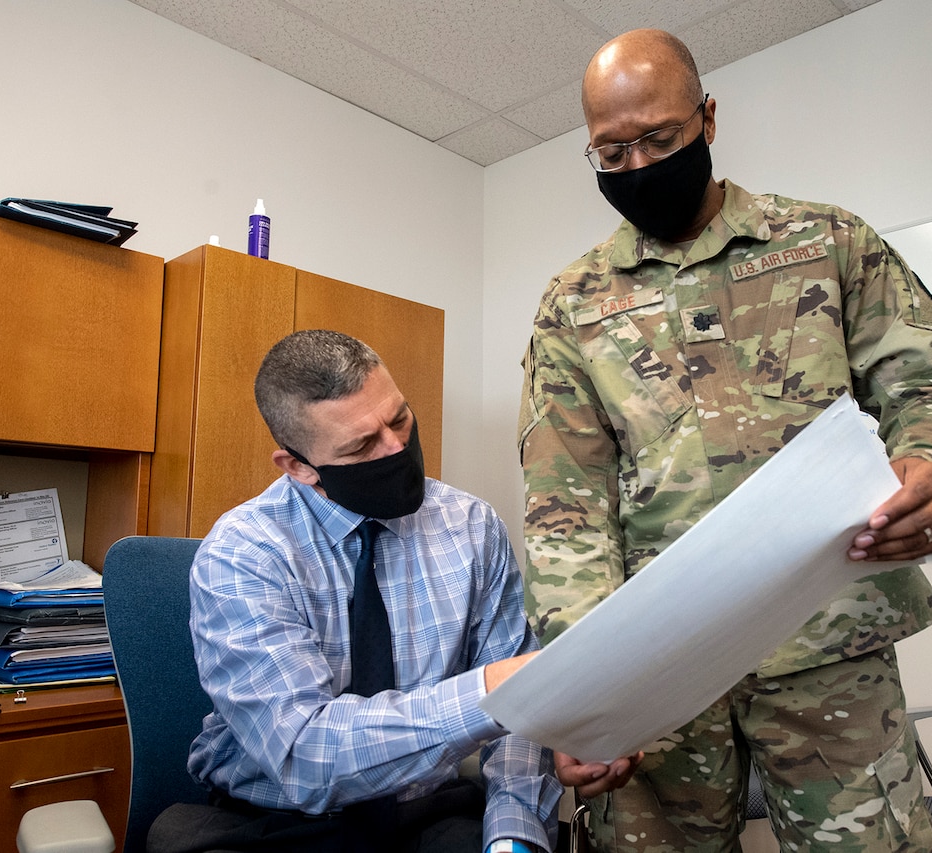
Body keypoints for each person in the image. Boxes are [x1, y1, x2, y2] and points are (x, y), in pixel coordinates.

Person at [518, 29, 932, 853]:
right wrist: (586, 693)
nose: (636, 167)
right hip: (658, 671)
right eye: (610, 152)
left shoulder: (826, 243)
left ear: (708, 118)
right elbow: (566, 512)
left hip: (828, 644)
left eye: (659, 139)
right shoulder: (573, 304)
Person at [152, 330, 634, 853]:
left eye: (399, 418)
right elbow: (304, 755)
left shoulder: (472, 526)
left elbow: (518, 726)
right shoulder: (243, 553)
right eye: (362, 445)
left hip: (427, 813)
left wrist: (513, 836)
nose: (397, 448)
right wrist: (491, 692)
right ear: (299, 466)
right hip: (277, 818)